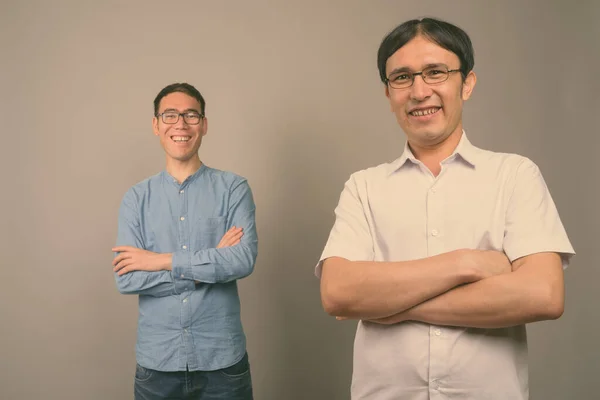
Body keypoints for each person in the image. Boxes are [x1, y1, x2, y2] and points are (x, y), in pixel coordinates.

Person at [316, 18, 574, 400]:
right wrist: (466, 264)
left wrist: (393, 306)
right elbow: (338, 293)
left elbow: (543, 295)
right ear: (388, 94)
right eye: (402, 77)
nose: (420, 91)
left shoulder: (515, 174)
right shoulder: (363, 187)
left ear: (466, 83)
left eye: (435, 72)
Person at [112, 82, 257, 400]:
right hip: (158, 364)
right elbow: (127, 279)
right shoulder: (136, 199)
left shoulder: (233, 189)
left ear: (204, 124)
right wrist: (211, 264)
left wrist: (161, 260)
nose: (181, 124)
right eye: (170, 115)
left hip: (223, 362)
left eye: (191, 115)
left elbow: (242, 260)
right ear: (156, 125)